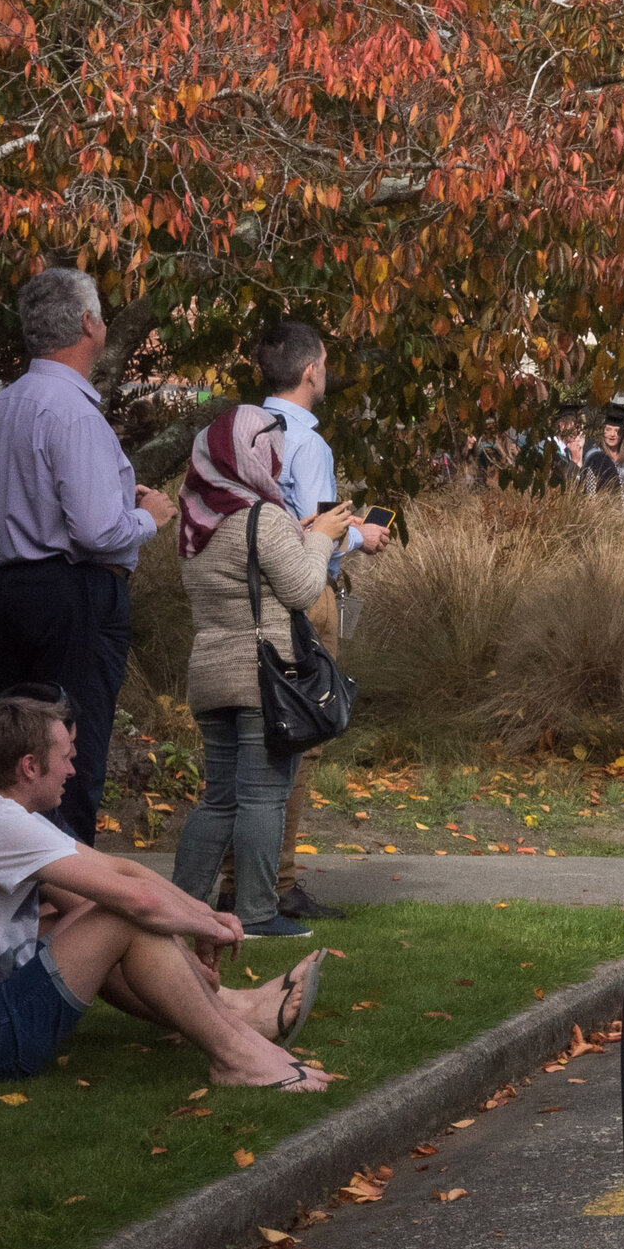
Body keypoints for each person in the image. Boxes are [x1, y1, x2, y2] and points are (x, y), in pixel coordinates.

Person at [0, 690, 328, 1093]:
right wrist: (211, 928)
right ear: (30, 767)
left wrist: (206, 916)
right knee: (119, 915)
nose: (72, 769)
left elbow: (123, 869)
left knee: (97, 912)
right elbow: (138, 899)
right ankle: (236, 1056)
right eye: (66, 757)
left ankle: (238, 1033)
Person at [0, 271, 166, 846]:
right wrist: (153, 516)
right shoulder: (73, 412)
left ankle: (23, 889)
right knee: (68, 755)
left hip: (8, 589)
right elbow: (98, 529)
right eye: (102, 313)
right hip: (71, 592)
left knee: (18, 759)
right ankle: (73, 901)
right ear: (87, 323)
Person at [172, 405, 358, 942]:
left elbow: (245, 572)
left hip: (209, 673)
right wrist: (321, 535)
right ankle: (256, 913)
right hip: (264, 677)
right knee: (261, 798)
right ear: (256, 454)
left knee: (218, 799)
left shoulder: (196, 522)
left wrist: (297, 534)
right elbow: (302, 588)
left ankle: (181, 907)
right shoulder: (263, 516)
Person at [257, 319, 394, 918]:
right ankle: (280, 883)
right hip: (305, 593)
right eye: (326, 364)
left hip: (253, 592)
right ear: (311, 370)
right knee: (301, 733)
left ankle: (249, 877)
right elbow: (315, 530)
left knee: (256, 741)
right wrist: (359, 535)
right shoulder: (308, 441)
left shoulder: (246, 430)